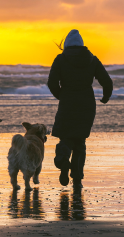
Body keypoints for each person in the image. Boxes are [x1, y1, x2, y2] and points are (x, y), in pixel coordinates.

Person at [47, 29, 113, 189]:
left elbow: (51, 83)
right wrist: (105, 97)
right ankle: (77, 179)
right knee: (79, 142)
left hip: (67, 102)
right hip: (86, 104)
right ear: (82, 44)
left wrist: (61, 95)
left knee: (66, 137)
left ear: (67, 45)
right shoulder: (92, 59)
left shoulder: (60, 59)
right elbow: (107, 82)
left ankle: (62, 159)